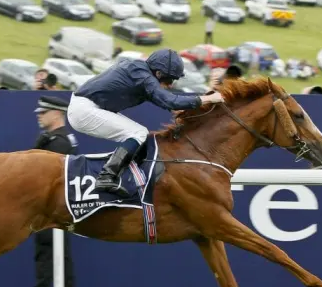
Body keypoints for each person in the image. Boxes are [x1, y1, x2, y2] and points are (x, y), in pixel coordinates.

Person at [67, 49, 224, 196]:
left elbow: (172, 104)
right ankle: (106, 177)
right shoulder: (142, 75)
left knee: (140, 135)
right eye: (170, 79)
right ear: (158, 73)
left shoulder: (143, 75)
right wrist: (208, 98)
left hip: (88, 108)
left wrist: (204, 100)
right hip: (84, 110)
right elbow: (170, 101)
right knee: (138, 133)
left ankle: (128, 175)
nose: (170, 84)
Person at [13, 96, 78, 287]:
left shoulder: (58, 142)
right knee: (59, 251)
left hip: (50, 208)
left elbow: (44, 177)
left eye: (43, 112)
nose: (39, 116)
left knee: (46, 251)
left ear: (57, 113)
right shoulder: (61, 139)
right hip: (59, 207)